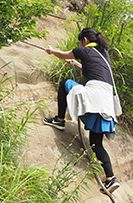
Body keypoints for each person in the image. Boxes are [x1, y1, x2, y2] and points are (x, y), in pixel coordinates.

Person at [43, 27, 120, 193]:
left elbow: (63, 54)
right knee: (96, 144)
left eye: (80, 42)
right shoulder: (104, 55)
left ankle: (59, 120)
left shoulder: (84, 50)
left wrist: (52, 51)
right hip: (106, 104)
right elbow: (94, 72)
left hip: (94, 98)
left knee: (65, 83)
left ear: (84, 40)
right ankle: (111, 178)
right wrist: (77, 64)